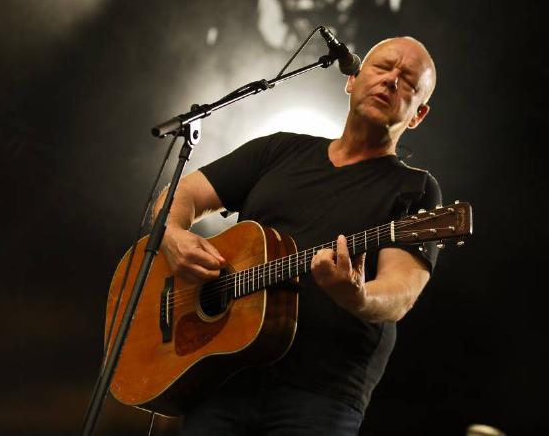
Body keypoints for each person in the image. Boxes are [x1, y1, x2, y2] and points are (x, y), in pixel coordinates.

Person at [154, 35, 441, 435]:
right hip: (223, 378)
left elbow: (401, 291)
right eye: (382, 67)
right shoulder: (279, 151)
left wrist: (358, 296)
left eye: (408, 81)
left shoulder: (415, 189)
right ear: (352, 79)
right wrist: (171, 234)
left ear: (418, 115)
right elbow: (178, 198)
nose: (391, 80)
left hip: (321, 393)